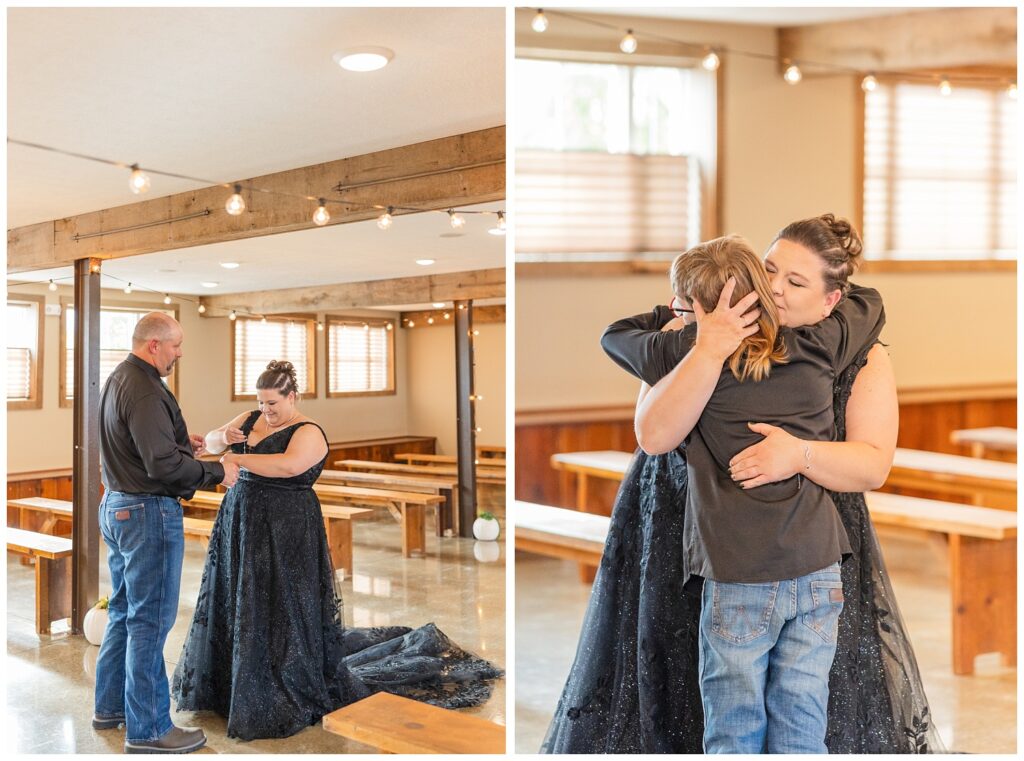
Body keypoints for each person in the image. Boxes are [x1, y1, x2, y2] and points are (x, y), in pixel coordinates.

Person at [541, 214, 944, 753]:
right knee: (716, 696)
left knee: (783, 705)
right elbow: (654, 433)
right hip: (688, 536)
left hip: (802, 547)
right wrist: (695, 331)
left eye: (796, 282)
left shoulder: (849, 346)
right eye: (769, 268)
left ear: (832, 301)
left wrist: (797, 453)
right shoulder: (696, 333)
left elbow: (871, 465)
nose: (774, 287)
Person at [171, 360, 502, 740]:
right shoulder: (250, 418)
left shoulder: (309, 432)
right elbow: (213, 443)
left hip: (287, 526)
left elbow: (287, 466)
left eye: (273, 403)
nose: (265, 411)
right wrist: (222, 437)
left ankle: (282, 683)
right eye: (261, 403)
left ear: (292, 396)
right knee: (242, 596)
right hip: (242, 519)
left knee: (282, 602)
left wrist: (237, 457)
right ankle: (232, 684)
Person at [94, 312, 239, 755]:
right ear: (154, 344)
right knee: (149, 621)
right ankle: (150, 729)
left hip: (118, 505)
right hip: (146, 514)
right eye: (175, 345)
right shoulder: (143, 389)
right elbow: (161, 467)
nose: (179, 353)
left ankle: (111, 707)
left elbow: (144, 449)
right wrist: (218, 471)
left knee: (123, 611)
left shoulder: (122, 377)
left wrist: (183, 445)